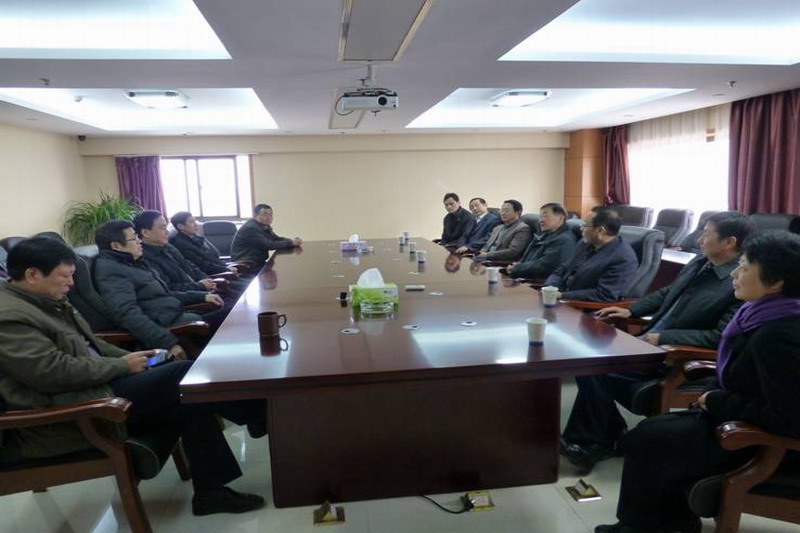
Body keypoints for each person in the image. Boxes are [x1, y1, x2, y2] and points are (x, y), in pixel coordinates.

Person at [0, 238, 267, 516]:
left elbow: (94, 345)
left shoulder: (46, 300)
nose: (71, 283)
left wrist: (135, 358)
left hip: (95, 386)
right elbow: (50, 372)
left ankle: (211, 494)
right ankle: (261, 413)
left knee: (187, 398)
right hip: (71, 410)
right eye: (64, 276)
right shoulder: (10, 317)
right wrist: (122, 366)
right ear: (32, 275)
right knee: (182, 372)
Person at [595, 231, 800, 533]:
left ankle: (640, 527)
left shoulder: (781, 335)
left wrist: (717, 400)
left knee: (647, 440)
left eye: (744, 267)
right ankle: (671, 522)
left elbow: (790, 419)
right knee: (649, 433)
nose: (735, 274)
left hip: (762, 442)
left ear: (776, 282)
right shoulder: (760, 313)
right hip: (736, 415)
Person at [561, 211, 753, 475]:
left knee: (593, 367)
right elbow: (667, 293)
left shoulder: (739, 284)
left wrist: (665, 338)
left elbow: (720, 337)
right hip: (649, 342)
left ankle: (596, 441)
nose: (699, 239)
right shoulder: (701, 261)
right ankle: (604, 435)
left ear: (729, 242)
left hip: (674, 357)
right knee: (587, 358)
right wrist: (631, 310)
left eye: (707, 234)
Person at [93, 220, 224, 357]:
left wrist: (202, 296)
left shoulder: (132, 263)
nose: (139, 241)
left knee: (230, 315)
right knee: (229, 324)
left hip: (175, 314)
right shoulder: (112, 271)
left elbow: (166, 293)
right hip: (171, 327)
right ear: (116, 246)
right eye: (134, 238)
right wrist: (168, 343)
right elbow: (127, 313)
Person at [544, 207, 638, 302]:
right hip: (560, 298)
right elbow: (564, 268)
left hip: (582, 307)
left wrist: (562, 295)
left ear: (600, 230)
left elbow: (605, 294)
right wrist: (550, 287)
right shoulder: (585, 243)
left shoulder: (623, 258)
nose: (581, 229)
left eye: (585, 225)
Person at [134, 210, 220, 293]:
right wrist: (200, 286)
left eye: (166, 227)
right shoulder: (144, 258)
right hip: (190, 297)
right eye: (163, 228)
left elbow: (189, 265)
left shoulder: (168, 247)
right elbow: (168, 288)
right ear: (145, 233)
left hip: (200, 290)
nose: (167, 232)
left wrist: (206, 279)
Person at [506, 202, 577, 279]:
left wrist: (517, 268)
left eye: (545, 216)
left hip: (540, 282)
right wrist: (516, 266)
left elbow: (544, 266)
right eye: (540, 217)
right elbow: (525, 258)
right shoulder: (543, 236)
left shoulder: (564, 240)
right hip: (524, 276)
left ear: (560, 218)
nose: (540, 220)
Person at [169, 211, 240, 277]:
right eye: (191, 222)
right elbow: (203, 266)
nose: (196, 224)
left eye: (195, 221)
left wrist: (227, 267)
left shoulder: (194, 239)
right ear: (180, 226)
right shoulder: (181, 245)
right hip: (211, 278)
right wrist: (226, 269)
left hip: (220, 271)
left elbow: (212, 258)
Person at [231, 204, 302, 265]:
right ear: (255, 215)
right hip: (246, 265)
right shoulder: (251, 228)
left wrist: (292, 241)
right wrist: (291, 243)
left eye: (271, 214)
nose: (269, 217)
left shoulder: (264, 226)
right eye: (265, 214)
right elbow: (268, 245)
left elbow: (276, 238)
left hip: (257, 262)